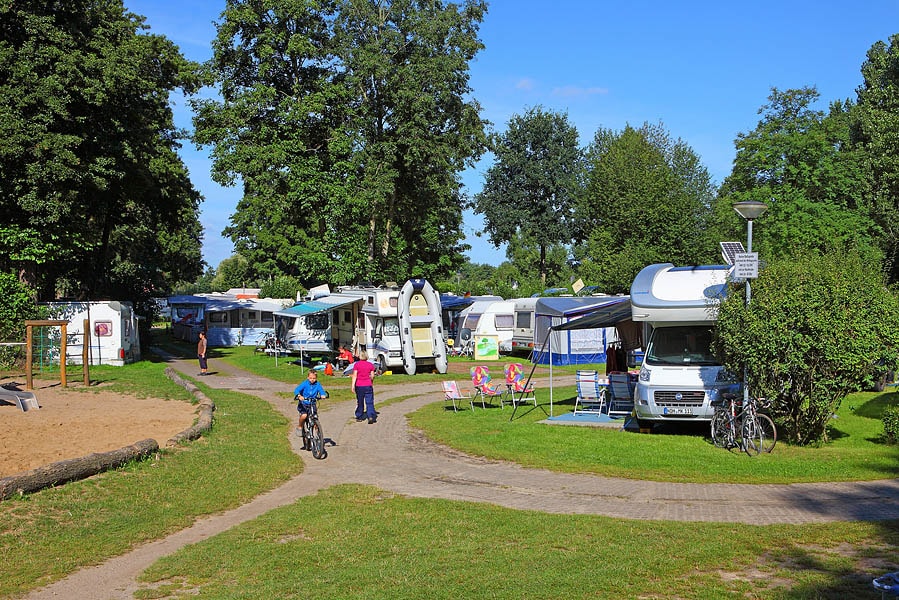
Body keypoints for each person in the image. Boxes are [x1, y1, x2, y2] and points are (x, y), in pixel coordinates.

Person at [294, 370, 326, 450]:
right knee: (304, 416)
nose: (312, 380)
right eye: (310, 378)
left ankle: (318, 434)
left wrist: (323, 395)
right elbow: (297, 390)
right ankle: (300, 426)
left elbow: (321, 390)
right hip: (304, 403)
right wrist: (299, 396)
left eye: (314, 378)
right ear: (308, 377)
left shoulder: (317, 384)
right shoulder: (305, 384)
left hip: (312, 403)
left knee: (315, 418)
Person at [351, 349, 378, 424]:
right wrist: (371, 380)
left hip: (359, 385)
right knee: (369, 401)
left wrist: (353, 385)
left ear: (360, 356)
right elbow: (372, 376)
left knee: (360, 401)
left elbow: (355, 375)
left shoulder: (357, 364)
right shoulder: (370, 365)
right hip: (368, 384)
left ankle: (359, 416)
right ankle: (371, 416)